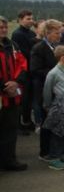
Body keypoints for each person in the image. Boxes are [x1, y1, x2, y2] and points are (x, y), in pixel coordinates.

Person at [31, 19, 63, 160]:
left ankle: (57, 148)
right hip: (45, 90)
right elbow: (35, 70)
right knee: (47, 122)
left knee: (58, 121)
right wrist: (56, 73)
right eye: (57, 33)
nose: (59, 36)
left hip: (59, 90)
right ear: (48, 33)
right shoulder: (39, 48)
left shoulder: (58, 47)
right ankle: (45, 152)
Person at [0, 15, 28, 171]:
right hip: (2, 94)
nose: (3, 30)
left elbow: (23, 64)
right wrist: (5, 86)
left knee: (10, 130)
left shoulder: (13, 45)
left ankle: (9, 160)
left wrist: (16, 82)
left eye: (5, 27)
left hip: (13, 95)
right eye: (0, 28)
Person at [11, 9, 36, 133]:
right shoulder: (18, 34)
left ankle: (27, 120)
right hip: (24, 70)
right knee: (24, 98)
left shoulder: (31, 33)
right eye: (28, 19)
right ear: (20, 20)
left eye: (32, 18)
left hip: (32, 69)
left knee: (29, 98)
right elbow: (24, 53)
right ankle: (21, 124)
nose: (31, 21)